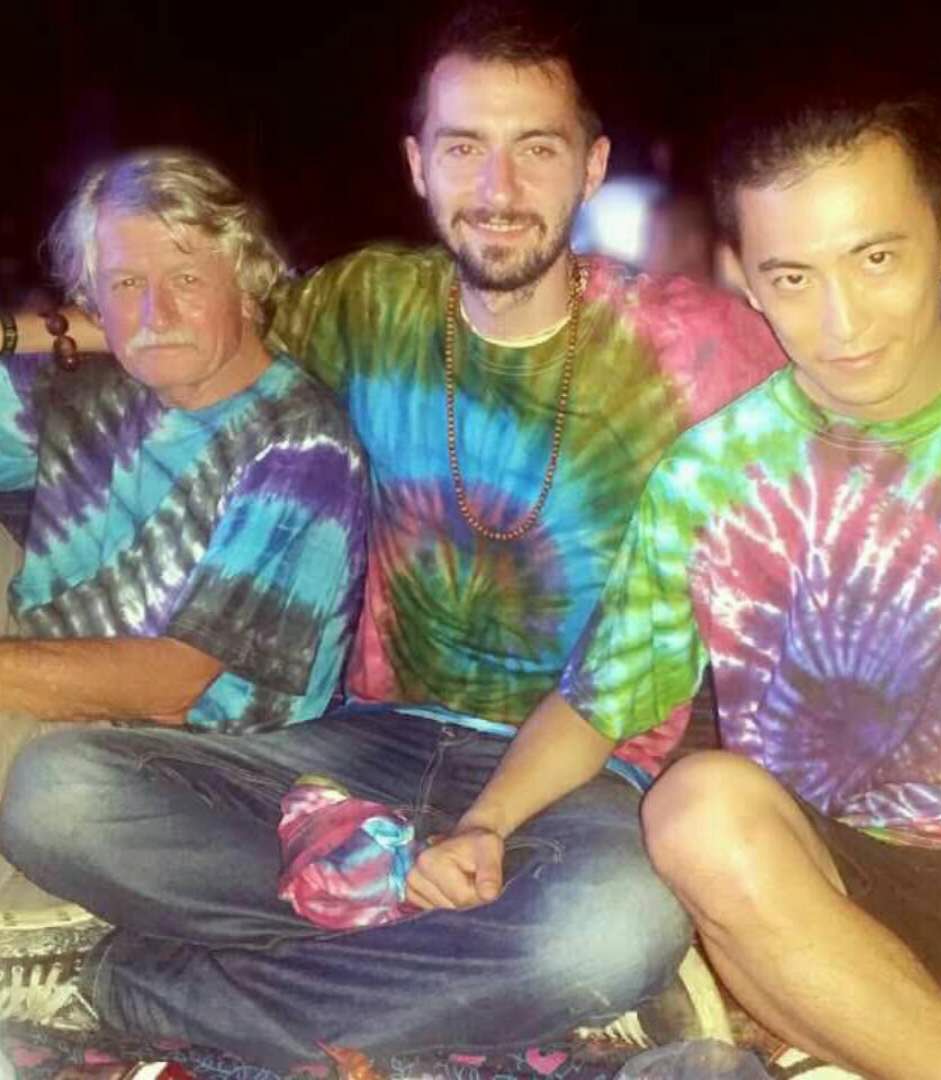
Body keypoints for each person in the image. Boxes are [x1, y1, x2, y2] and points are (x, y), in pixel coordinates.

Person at [0, 4, 787, 1069]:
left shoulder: (703, 346)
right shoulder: (368, 303)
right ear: (419, 164)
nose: (498, 187)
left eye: (536, 147)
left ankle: (147, 983)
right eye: (464, 147)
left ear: (592, 166)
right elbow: (194, 319)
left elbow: (858, 396)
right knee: (59, 794)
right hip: (356, 749)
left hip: (579, 777)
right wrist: (36, 330)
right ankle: (453, 974)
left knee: (614, 924)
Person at [452, 97, 941, 1078]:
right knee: (695, 808)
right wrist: (484, 822)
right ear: (742, 274)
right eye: (793, 276)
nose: (842, 323)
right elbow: (600, 697)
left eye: (876, 258)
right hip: (831, 908)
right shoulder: (712, 475)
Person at [0, 149, 367, 929]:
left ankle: (63, 907)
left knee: (57, 789)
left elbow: (172, 684)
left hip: (184, 763)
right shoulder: (93, 384)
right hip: (47, 679)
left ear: (249, 285)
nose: (154, 313)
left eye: (187, 278)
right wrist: (32, 330)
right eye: (125, 284)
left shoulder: (302, 445)